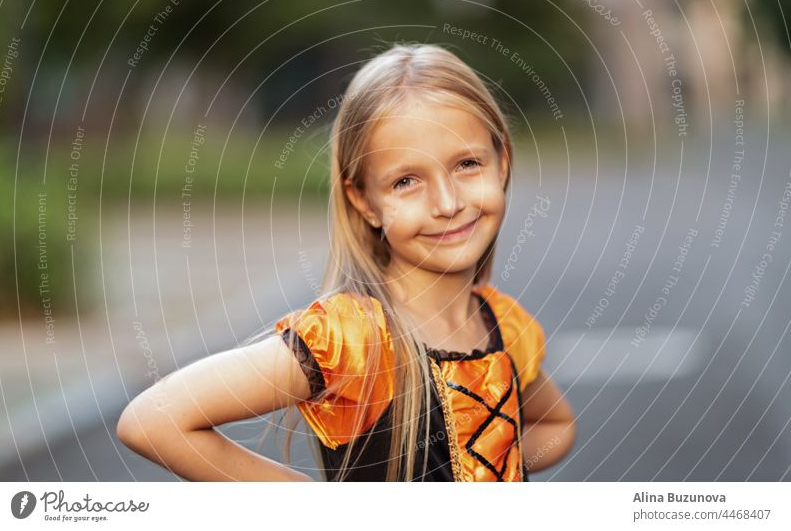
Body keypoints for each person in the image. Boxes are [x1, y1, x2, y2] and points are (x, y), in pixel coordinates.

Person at [117, 43, 576, 482]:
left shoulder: (505, 324)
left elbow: (556, 427)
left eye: (467, 164)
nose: (447, 201)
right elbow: (153, 421)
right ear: (364, 201)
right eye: (406, 181)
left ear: (502, 162)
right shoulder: (354, 338)